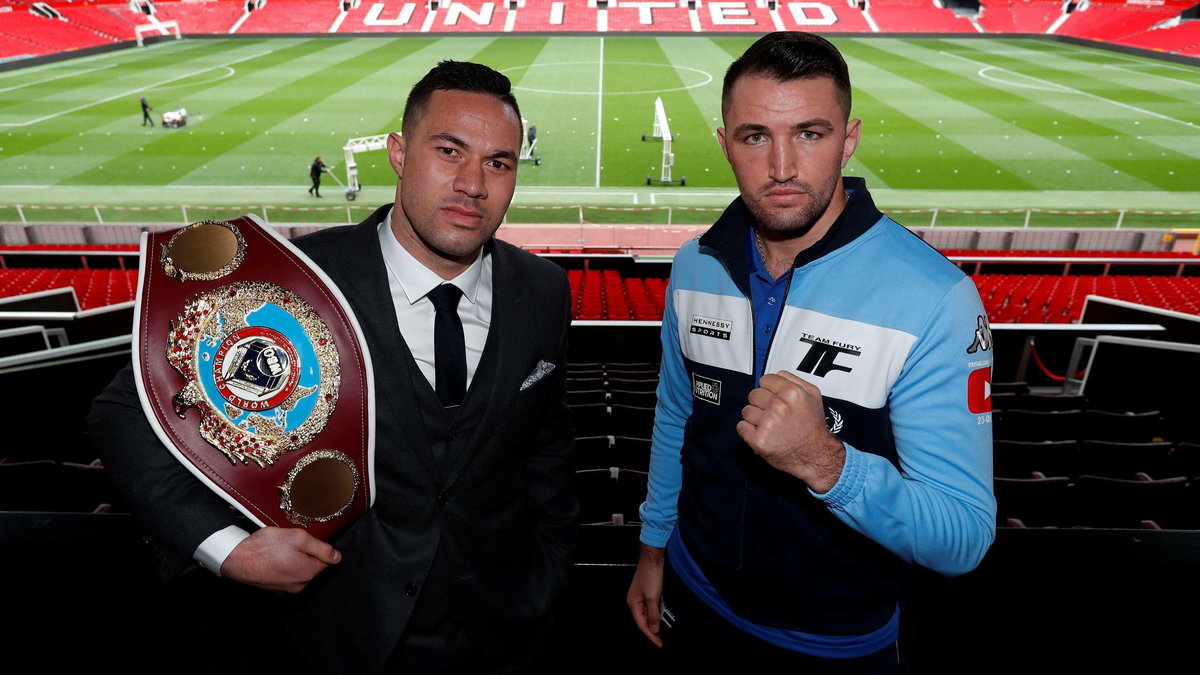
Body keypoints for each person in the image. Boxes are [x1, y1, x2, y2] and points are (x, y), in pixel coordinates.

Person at [89, 60, 578, 674]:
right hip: (334, 640)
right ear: (399, 153)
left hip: (506, 636)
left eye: (498, 162)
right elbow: (126, 415)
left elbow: (546, 450)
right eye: (449, 150)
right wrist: (227, 551)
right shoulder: (290, 279)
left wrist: (551, 569)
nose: (473, 183)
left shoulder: (544, 290)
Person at [625, 32, 995, 672]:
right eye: (755, 137)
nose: (783, 167)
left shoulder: (935, 298)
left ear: (849, 140)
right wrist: (654, 549)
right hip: (693, 594)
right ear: (724, 145)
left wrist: (826, 462)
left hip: (833, 645)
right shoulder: (695, 266)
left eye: (811, 134)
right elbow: (675, 418)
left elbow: (963, 537)